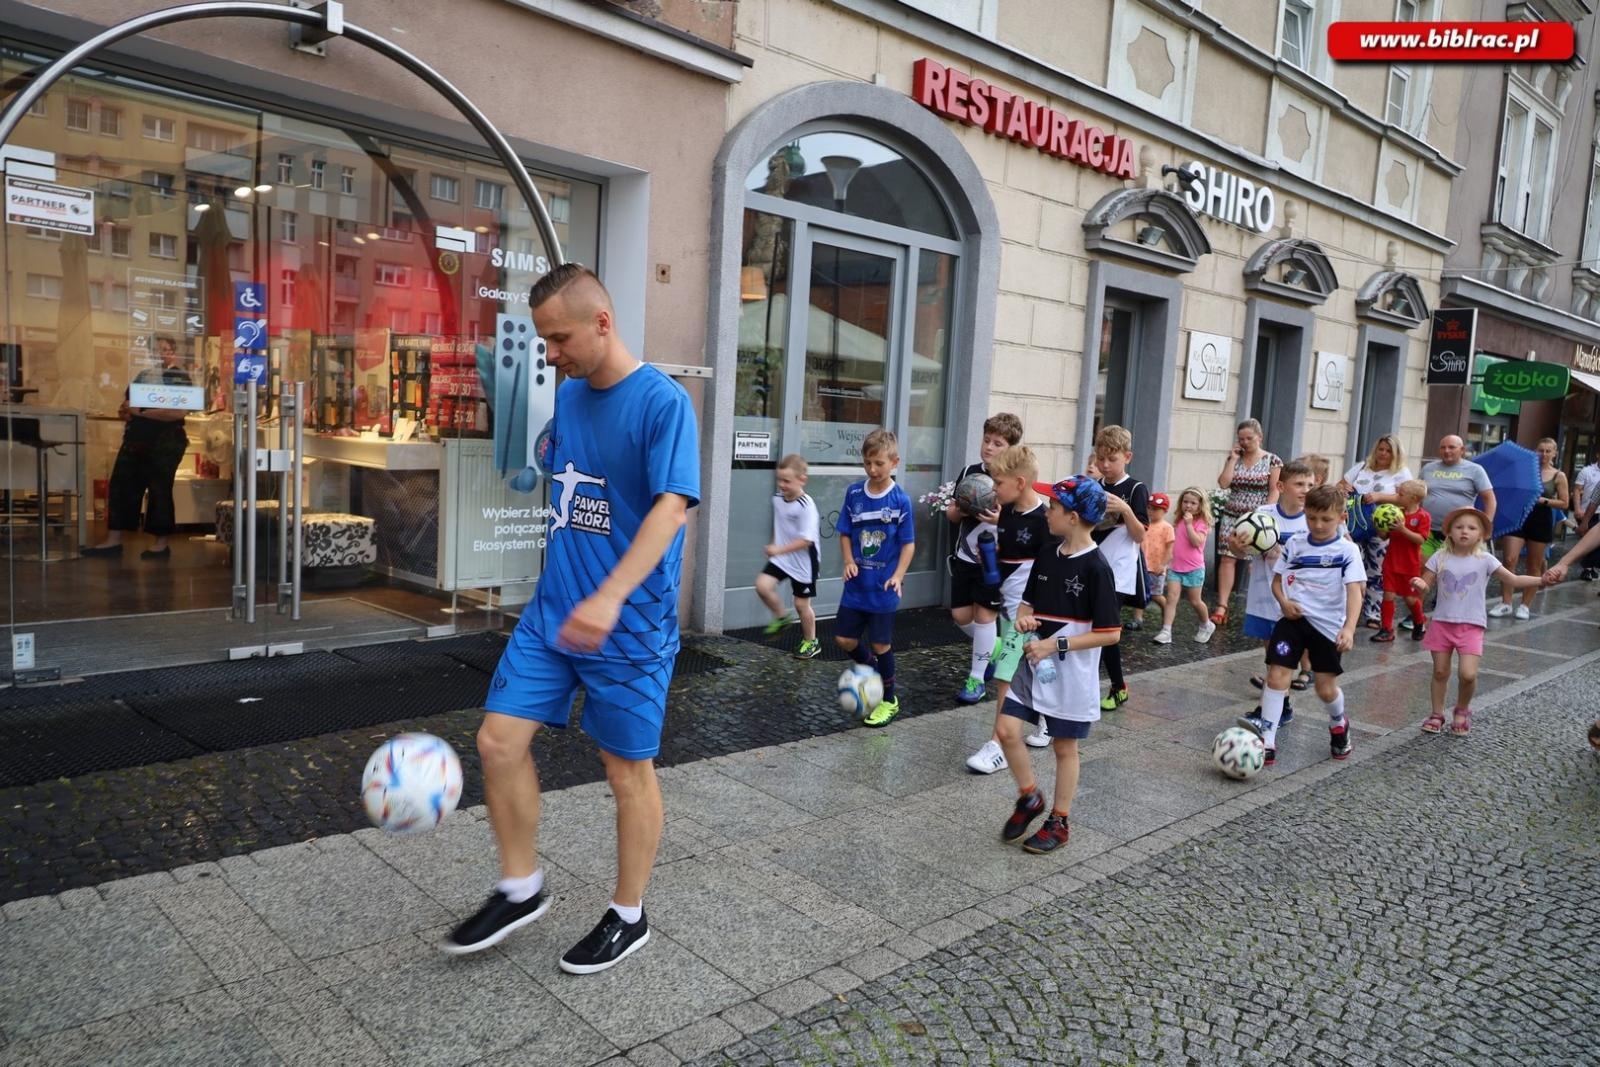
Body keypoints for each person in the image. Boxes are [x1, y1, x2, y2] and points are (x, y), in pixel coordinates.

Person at [444, 265, 699, 975]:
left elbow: (670, 509)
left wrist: (611, 594)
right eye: (544, 341)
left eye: (559, 338)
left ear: (603, 323)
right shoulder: (572, 398)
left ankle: (628, 913)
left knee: (626, 773)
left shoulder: (663, 403)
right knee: (497, 741)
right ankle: (521, 886)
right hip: (554, 614)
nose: (551, 354)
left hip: (630, 626)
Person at [996, 475, 1122, 854]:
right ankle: (1030, 796)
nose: (1047, 510)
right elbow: (1028, 603)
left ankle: (1059, 821)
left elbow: (1110, 633)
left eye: (1053, 506)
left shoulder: (1097, 568)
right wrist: (1023, 619)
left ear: (1073, 516)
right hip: (1034, 659)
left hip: (1072, 673)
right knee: (1006, 730)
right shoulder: (1048, 553)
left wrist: (1057, 643)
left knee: (1064, 748)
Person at [1236, 485, 1364, 767]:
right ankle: (1267, 738)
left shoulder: (1348, 551)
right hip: (1292, 622)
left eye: (1326, 519)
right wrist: (1283, 603)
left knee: (1325, 688)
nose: (1318, 525)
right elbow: (1277, 580)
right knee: (1278, 673)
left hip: (1328, 627)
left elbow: (1355, 592)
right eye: (1312, 518)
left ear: (1341, 517)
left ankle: (1338, 722)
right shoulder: (1295, 544)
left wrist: (1349, 629)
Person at [1413, 508, 1544, 736]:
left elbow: (1512, 579)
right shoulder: (1440, 557)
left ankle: (1462, 709)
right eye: (1459, 527)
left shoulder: (1485, 560)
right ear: (1450, 532)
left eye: (1472, 528)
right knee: (1440, 672)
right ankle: (1436, 714)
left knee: (1468, 674)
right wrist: (1420, 584)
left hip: (1471, 625)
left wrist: (1542, 579)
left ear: (1481, 534)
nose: (1465, 531)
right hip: (1442, 623)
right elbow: (1426, 583)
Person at [966, 446, 1057, 773]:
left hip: (1028, 615)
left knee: (1005, 676)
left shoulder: (1045, 519)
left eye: (998, 482)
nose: (993, 489)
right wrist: (991, 555)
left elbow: (1051, 567)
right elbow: (1009, 553)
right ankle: (1046, 719)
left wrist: (1037, 612)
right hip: (1007, 608)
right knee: (1027, 670)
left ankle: (998, 746)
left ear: (1020, 482)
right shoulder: (1005, 512)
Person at [83, 335, 194, 560]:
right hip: (136, 439)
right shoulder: (144, 375)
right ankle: (114, 539)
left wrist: (140, 412)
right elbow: (127, 404)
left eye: (164, 349)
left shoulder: (179, 378)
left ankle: (161, 543)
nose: (159, 353)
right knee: (121, 485)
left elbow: (176, 413)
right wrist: (127, 412)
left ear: (172, 351)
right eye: (156, 349)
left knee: (159, 489)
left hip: (165, 441)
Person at [836, 428, 916, 729]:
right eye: (868, 463)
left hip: (883, 589)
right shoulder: (854, 493)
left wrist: (898, 575)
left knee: (881, 644)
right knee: (844, 639)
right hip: (857, 587)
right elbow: (845, 532)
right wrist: (847, 561)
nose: (872, 469)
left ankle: (889, 699)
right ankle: (872, 671)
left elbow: (908, 544)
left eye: (879, 463)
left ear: (894, 462)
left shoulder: (900, 501)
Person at [947, 413, 1023, 706]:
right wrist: (961, 510)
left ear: (1011, 449)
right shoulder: (969, 472)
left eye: (998, 443)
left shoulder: (1013, 482)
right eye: (987, 440)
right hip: (965, 557)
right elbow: (952, 515)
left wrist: (1000, 518)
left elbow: (1019, 523)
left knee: (984, 616)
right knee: (960, 615)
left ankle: (976, 679)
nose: (989, 447)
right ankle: (992, 646)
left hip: (993, 562)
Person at [1240, 459, 1316, 696]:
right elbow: (1240, 549)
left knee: (1291, 644)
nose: (1306, 490)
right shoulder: (1262, 515)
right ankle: (1275, 679)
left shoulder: (1313, 519)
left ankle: (1282, 687)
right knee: (1270, 642)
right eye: (1299, 484)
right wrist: (1238, 545)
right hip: (1264, 594)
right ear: (1281, 487)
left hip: (1298, 595)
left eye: (1310, 485)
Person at [1090, 425, 1148, 711]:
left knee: (1106, 629)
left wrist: (1124, 510)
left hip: (1120, 571)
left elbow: (1140, 535)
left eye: (1111, 459)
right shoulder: (1096, 486)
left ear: (1127, 457)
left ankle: (1118, 686)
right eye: (1101, 458)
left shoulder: (1136, 488)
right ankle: (1095, 683)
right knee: (1091, 627)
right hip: (1092, 566)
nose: (1105, 465)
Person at [1211, 418, 1283, 626]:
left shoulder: (1272, 460)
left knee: (1256, 562)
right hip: (1233, 514)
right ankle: (1222, 605)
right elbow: (1224, 483)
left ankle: (1258, 604)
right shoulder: (1235, 458)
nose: (1245, 442)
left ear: (1259, 438)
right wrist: (1232, 459)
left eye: (1249, 438)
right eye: (1241, 439)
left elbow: (1274, 489)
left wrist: (1266, 514)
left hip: (1257, 519)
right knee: (1227, 558)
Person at [1338, 434, 1412, 628]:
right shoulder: (1363, 466)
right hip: (1355, 524)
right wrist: (1344, 488)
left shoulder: (1401, 472)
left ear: (1395, 454)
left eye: (1388, 451)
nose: (1383, 454)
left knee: (1377, 571)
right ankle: (1348, 611)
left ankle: (1373, 613)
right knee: (1353, 567)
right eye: (1381, 449)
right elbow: (1340, 485)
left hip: (1382, 528)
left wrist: (1380, 496)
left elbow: (1407, 499)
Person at [1488, 437, 1567, 620]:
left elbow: (1564, 503)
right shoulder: (1525, 470)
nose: (1544, 454)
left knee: (1534, 563)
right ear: (1535, 451)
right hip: (1519, 516)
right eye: (1541, 450)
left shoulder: (1558, 475)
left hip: (1541, 519)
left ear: (1555, 453)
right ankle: (1506, 603)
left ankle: (1525, 605)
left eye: (1548, 451)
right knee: (1509, 559)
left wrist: (1543, 500)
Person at [756, 453, 821, 658]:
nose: (781, 485)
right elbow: (781, 525)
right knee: (762, 586)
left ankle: (811, 642)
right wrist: (775, 544)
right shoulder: (777, 500)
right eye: (779, 480)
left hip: (804, 562)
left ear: (802, 480)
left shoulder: (806, 505)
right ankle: (781, 617)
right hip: (782, 558)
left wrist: (778, 550)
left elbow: (806, 540)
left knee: (802, 605)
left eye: (787, 481)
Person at [1370, 480, 1430, 643]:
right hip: (1391, 562)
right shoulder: (1396, 513)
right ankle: (1387, 629)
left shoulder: (1422, 516)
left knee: (1410, 599)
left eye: (1401, 494)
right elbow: (1385, 536)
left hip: (1409, 565)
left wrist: (1403, 529)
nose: (1397, 496)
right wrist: (1379, 526)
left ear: (1414, 498)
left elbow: (1420, 540)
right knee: (1388, 595)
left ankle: (1419, 622)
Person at [1419, 435, 1496, 558]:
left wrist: (1485, 527)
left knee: (1452, 571)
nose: (1446, 451)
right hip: (1428, 530)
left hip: (1459, 533)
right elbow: (1418, 495)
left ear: (1462, 450)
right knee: (1425, 570)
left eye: (1451, 447)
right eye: (1443, 447)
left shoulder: (1475, 470)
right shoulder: (1428, 468)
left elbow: (1490, 499)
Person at [1154, 487, 1213, 645]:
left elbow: (1196, 542)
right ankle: (1166, 631)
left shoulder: (1201, 523)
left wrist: (1189, 525)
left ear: (1200, 506)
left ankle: (1206, 624)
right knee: (1171, 598)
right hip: (1176, 567)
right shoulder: (1179, 520)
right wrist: (1166, 562)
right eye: (1185, 502)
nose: (1188, 505)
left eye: (1193, 503)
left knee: (1195, 601)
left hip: (1194, 569)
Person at [1143, 492, 1174, 622]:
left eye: (1155, 509)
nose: (1151, 511)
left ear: (1165, 511)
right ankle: (1138, 619)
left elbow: (1169, 550)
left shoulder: (1167, 528)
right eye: (1149, 508)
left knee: (1156, 595)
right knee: (1142, 593)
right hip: (1143, 565)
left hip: (1156, 567)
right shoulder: (1144, 524)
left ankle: (1167, 613)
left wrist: (1163, 565)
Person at [1571, 456, 1600, 580]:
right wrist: (1577, 509)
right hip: (1587, 511)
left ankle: (1592, 567)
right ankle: (1587, 568)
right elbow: (1577, 490)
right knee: (1590, 541)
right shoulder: (1586, 471)